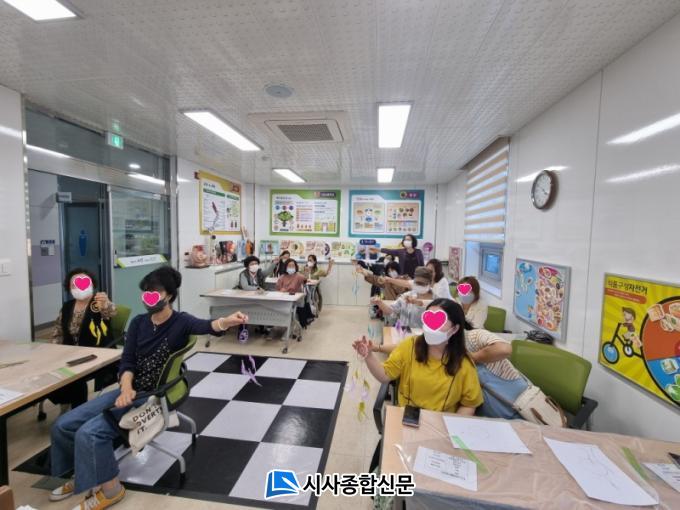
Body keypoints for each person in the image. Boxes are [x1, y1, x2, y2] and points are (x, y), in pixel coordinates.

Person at [49, 266, 248, 510]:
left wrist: (228, 320)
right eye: (146, 293)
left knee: (89, 433)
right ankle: (80, 475)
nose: (149, 298)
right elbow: (128, 361)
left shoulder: (181, 322)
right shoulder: (138, 323)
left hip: (152, 395)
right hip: (130, 389)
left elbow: (209, 325)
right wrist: (126, 388)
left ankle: (112, 491)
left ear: (170, 296)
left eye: (155, 293)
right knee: (63, 425)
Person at [353, 298, 483, 414]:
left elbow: (469, 404)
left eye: (439, 321)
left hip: (441, 422)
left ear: (454, 329)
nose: (431, 327)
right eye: (428, 319)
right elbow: (384, 375)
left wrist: (450, 428)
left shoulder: (464, 364)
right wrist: (368, 355)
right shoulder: (410, 346)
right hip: (408, 416)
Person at [49, 268, 117, 410]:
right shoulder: (67, 306)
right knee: (51, 370)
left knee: (75, 377)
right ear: (69, 288)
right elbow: (58, 331)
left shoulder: (98, 303)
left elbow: (111, 313)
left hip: (95, 353)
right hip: (70, 353)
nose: (80, 286)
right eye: (74, 284)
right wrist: (54, 351)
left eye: (85, 282)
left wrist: (105, 304)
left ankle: (77, 410)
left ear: (92, 285)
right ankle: (65, 402)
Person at [464, 326, 528, 419]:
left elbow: (504, 349)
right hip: (489, 418)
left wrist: (471, 359)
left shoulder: (473, 337)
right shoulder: (444, 352)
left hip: (522, 409)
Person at [235, 255, 276, 342]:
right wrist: (257, 288)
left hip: (259, 297)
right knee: (245, 311)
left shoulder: (259, 272)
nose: (254, 265)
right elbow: (245, 287)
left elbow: (268, 272)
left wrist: (274, 263)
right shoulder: (243, 274)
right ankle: (243, 330)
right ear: (247, 266)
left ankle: (267, 327)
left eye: (256, 263)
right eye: (252, 264)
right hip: (247, 298)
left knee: (266, 308)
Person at [384, 257, 453, 300]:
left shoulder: (442, 282)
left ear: (437, 272)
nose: (428, 273)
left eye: (431, 271)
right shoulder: (423, 279)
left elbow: (437, 301)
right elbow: (407, 283)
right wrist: (389, 279)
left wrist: (417, 301)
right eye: (427, 270)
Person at [276, 258, 313, 328]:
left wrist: (307, 272)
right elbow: (278, 289)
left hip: (295, 300)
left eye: (293, 266)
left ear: (295, 267)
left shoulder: (298, 276)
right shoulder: (282, 277)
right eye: (289, 266)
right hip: (284, 299)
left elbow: (305, 279)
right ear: (286, 267)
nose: (291, 267)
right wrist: (281, 290)